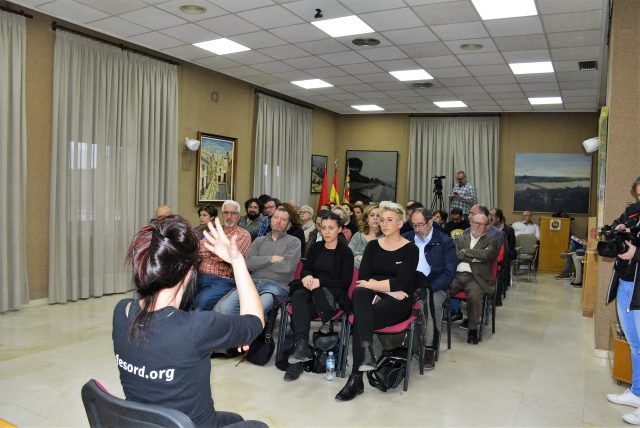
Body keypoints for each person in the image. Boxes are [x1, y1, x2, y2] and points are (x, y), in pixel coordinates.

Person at [112, 215, 266, 427]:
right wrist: (237, 261)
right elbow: (255, 321)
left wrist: (227, 334)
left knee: (235, 420)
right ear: (189, 272)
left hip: (143, 422)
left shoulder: (121, 312)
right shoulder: (196, 328)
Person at [335, 201, 419, 402]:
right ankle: (365, 353)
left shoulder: (411, 249)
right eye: (381, 220)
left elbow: (403, 283)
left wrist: (379, 286)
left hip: (400, 302)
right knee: (359, 294)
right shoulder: (372, 246)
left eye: (390, 220)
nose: (384, 223)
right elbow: (363, 280)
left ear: (400, 223)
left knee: (361, 319)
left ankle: (356, 379)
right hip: (380, 296)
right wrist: (389, 289)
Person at [284, 211, 355, 381]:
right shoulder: (316, 247)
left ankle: (300, 354)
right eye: (323, 228)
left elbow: (345, 281)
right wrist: (307, 276)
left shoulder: (345, 252)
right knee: (299, 293)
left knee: (299, 306)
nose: (327, 232)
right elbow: (307, 268)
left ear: (339, 229)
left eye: (331, 228)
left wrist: (320, 281)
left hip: (332, 295)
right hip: (310, 290)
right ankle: (301, 347)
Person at [215, 206, 301, 316]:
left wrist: (259, 262)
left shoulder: (294, 242)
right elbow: (248, 264)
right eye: (276, 217)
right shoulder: (259, 241)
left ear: (289, 225)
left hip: (275, 286)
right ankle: (239, 331)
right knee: (224, 309)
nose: (278, 221)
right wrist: (271, 259)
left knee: (254, 312)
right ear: (270, 220)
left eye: (283, 220)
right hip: (251, 284)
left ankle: (248, 331)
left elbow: (287, 267)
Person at [402, 208, 456, 370]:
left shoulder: (445, 241)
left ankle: (429, 348)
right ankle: (401, 344)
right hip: (410, 284)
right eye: (414, 225)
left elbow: (449, 272)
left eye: (421, 225)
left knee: (430, 303)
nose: (417, 229)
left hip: (434, 285)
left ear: (430, 222)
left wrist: (429, 287)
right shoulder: (406, 239)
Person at [606, 182, 640, 425]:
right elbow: (609, 229)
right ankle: (637, 393)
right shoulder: (633, 212)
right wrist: (617, 229)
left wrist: (636, 254)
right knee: (635, 344)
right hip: (626, 283)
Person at [450, 213, 498, 345]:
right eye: (475, 222)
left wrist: (465, 252)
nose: (477, 225)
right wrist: (476, 258)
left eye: (481, 224)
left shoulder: (491, 241)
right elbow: (455, 255)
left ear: (487, 227)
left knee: (475, 297)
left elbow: (487, 255)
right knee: (438, 292)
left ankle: (472, 330)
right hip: (456, 276)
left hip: (476, 278)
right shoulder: (460, 239)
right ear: (470, 223)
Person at [195, 200, 252, 311]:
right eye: (226, 213)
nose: (229, 216)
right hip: (200, 275)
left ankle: (196, 327)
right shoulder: (215, 231)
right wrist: (217, 251)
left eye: (233, 213)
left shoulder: (243, 235)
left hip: (222, 279)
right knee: (181, 296)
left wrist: (213, 251)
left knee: (200, 302)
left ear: (238, 216)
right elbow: (198, 249)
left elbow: (231, 256)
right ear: (222, 215)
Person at [348, 204, 382, 269]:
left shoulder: (385, 237)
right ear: (366, 219)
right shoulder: (358, 236)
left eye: (378, 215)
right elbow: (348, 257)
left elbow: (382, 262)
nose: (375, 218)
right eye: (372, 215)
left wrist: (363, 259)